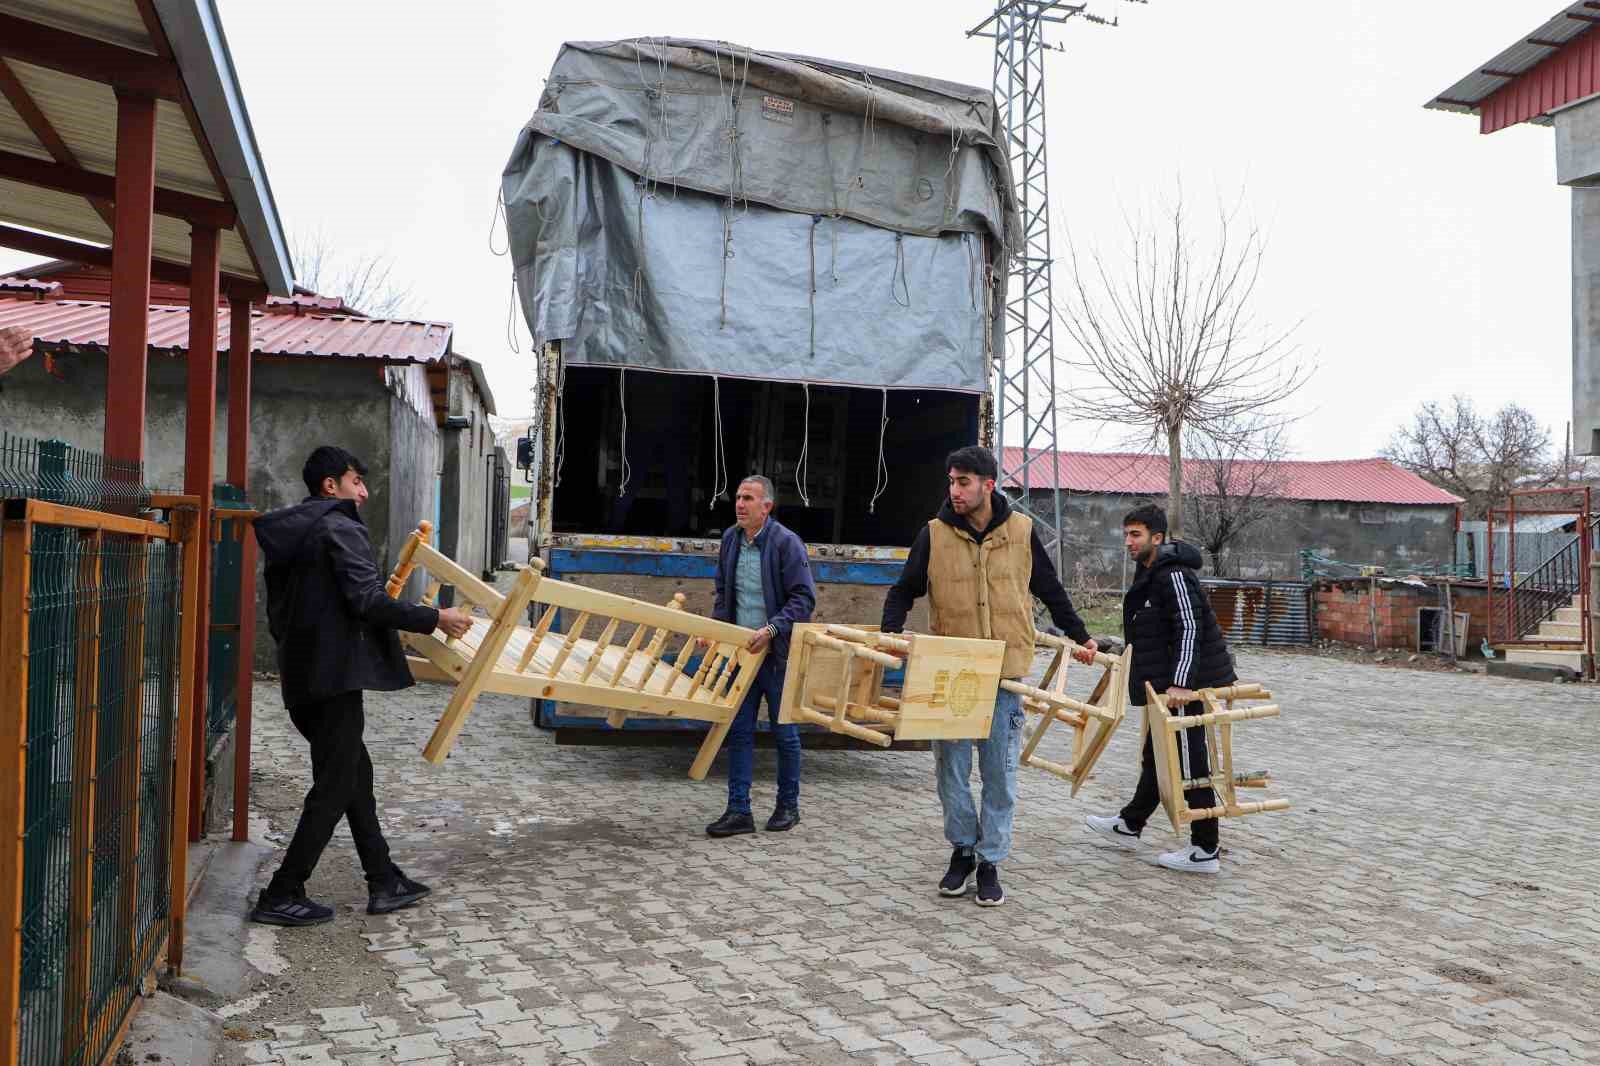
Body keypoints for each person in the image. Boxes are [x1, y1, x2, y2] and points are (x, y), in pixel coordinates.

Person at [250, 446, 473, 925]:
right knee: (335, 786)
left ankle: (383, 879)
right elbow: (369, 601)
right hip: (331, 679)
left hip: (306, 674)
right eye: (356, 481)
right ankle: (282, 892)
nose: (365, 491)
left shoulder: (297, 531)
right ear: (331, 485)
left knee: (355, 777)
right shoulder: (337, 526)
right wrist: (438, 617)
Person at [881, 446, 1097, 906]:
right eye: (951, 482)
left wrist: (1081, 635)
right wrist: (890, 632)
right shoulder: (934, 535)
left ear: (987, 485)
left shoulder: (1021, 532)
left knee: (998, 775)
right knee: (951, 772)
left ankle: (991, 861)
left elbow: (1049, 589)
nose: (954, 490)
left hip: (1004, 674)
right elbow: (904, 589)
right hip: (951, 670)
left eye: (963, 482)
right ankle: (962, 850)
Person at [1085, 503, 1238, 874]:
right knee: (1157, 756)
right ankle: (1130, 824)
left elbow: (1190, 627)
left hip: (1186, 684)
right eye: (1126, 534)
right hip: (1165, 685)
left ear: (1157, 537)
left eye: (1135, 535)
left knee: (1189, 761)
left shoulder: (1174, 575)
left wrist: (1182, 683)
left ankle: (1205, 850)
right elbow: (1151, 631)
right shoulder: (1148, 572)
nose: (1128, 542)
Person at [704, 475, 817, 838]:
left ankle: (788, 806)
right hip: (742, 653)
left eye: (748, 498)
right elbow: (724, 592)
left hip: (778, 653)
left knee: (784, 733)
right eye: (737, 497)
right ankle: (739, 811)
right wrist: (717, 631)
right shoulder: (730, 539)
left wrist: (771, 630)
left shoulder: (786, 543)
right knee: (738, 732)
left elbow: (803, 599)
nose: (740, 504)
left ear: (766, 506)